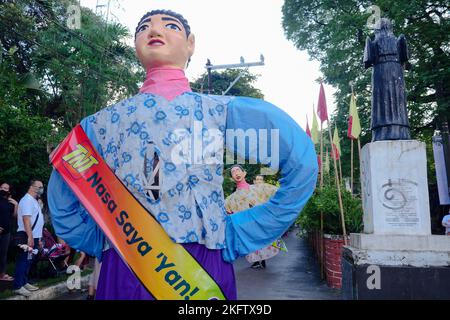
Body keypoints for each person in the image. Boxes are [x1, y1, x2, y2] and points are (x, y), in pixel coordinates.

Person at [48, 9, 317, 299]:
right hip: (128, 260)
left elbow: (300, 161)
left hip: (199, 265)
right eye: (143, 28)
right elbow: (63, 192)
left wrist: (241, 231)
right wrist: (101, 236)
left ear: (190, 43)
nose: (154, 31)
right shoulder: (97, 126)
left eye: (170, 26)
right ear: (135, 45)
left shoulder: (220, 111)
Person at [225, 166, 280, 269]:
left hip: (259, 220)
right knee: (252, 242)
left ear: (244, 173)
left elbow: (275, 191)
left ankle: (261, 260)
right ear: (232, 178)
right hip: (247, 225)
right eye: (233, 172)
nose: (236, 173)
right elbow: (226, 211)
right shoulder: (231, 198)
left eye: (238, 170)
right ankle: (257, 261)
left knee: (261, 240)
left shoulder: (258, 188)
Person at [13, 180, 45, 297]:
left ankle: (24, 282)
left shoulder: (34, 201)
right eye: (39, 187)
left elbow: (38, 220)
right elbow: (26, 219)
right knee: (23, 260)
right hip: (27, 235)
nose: (42, 189)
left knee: (29, 261)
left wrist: (39, 238)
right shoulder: (26, 200)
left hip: (34, 236)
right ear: (32, 187)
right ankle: (17, 286)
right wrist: (30, 237)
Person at [0, 189, 14, 281]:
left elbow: (14, 215)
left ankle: (2, 274)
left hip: (6, 232)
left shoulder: (10, 202)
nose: (4, 190)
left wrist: (16, 204)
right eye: (3, 188)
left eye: (6, 188)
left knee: (3, 254)